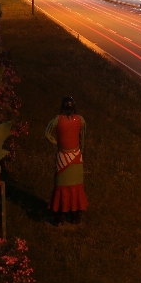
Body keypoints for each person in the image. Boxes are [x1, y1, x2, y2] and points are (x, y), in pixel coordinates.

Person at [45, 96, 88, 224]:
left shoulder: (57, 120)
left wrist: (56, 143)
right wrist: (80, 150)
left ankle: (60, 215)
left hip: (63, 156)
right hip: (76, 156)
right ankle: (75, 214)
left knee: (61, 186)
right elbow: (83, 138)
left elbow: (47, 134)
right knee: (76, 186)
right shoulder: (81, 120)